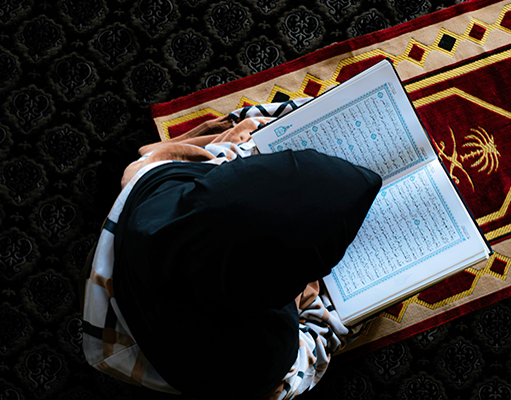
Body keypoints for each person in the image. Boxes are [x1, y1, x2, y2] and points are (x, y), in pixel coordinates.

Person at [80, 100, 382, 399]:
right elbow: (300, 368)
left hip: (130, 267)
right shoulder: (255, 358)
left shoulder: (159, 186)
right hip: (157, 349)